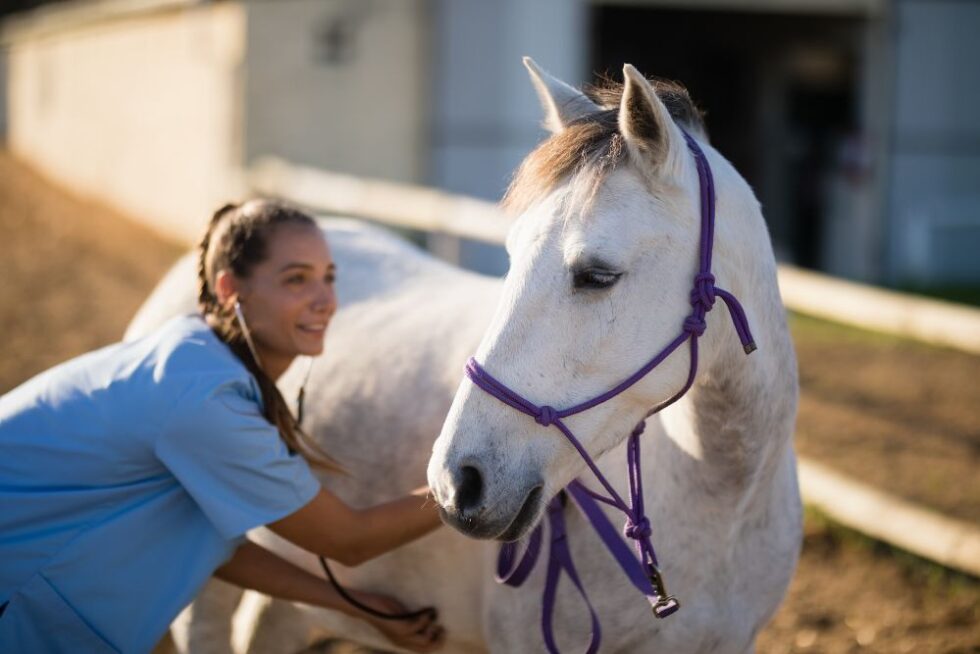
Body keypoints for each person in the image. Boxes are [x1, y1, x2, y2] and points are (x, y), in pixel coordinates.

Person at [0, 200, 446, 653]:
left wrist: (352, 604)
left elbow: (213, 549)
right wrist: (465, 484)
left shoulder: (196, 360)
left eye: (328, 277)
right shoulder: (203, 401)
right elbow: (346, 539)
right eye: (297, 279)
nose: (325, 300)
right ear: (231, 289)